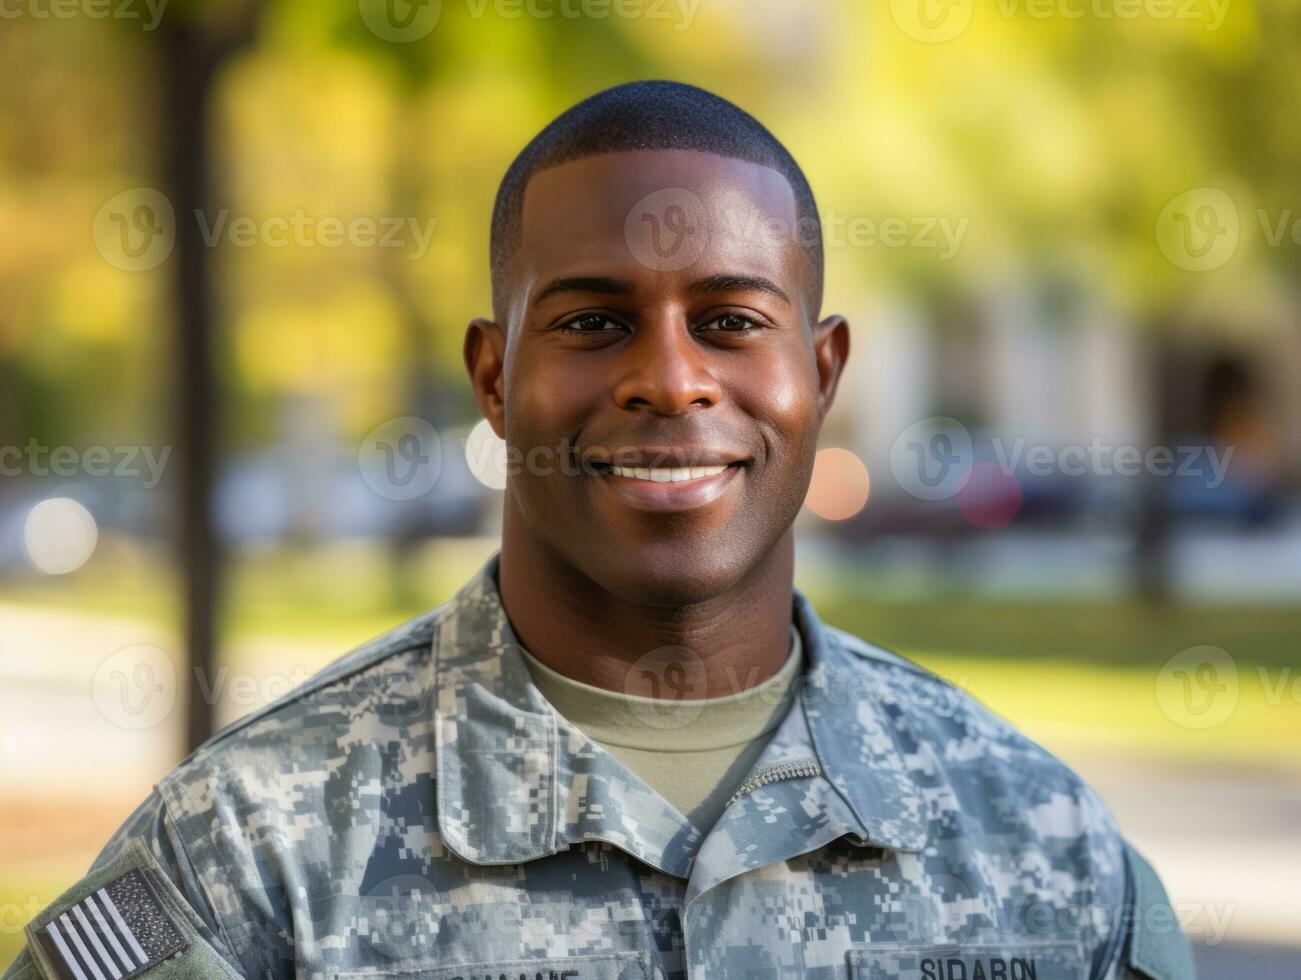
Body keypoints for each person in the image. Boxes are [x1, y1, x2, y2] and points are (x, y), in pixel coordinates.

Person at [3, 81, 1194, 980]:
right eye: (589, 323)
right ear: (491, 374)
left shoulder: (1040, 842)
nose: (669, 379)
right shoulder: (249, 852)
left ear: (820, 371)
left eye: (730, 319)